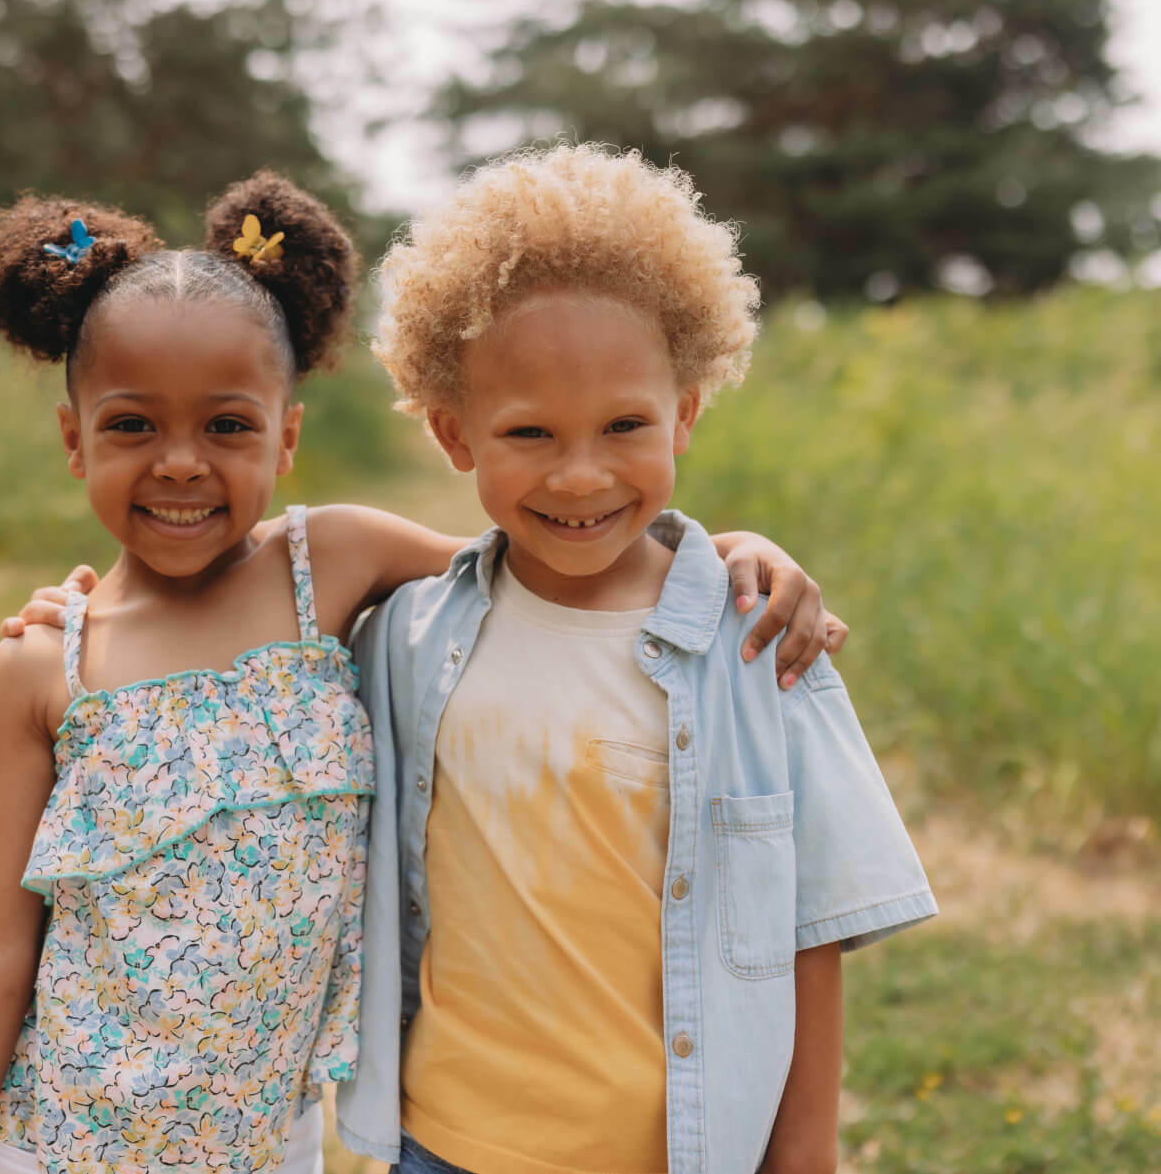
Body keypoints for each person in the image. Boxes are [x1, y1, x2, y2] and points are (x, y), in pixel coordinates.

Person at [0, 169, 841, 1174]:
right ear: (73, 441)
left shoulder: (333, 565)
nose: (180, 462)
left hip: (272, 1150)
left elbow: (555, 558)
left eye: (227, 425)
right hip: (63, 1144)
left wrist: (730, 552)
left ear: (289, 435)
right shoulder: (45, 666)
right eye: (133, 425)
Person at [334, 145, 939, 1174]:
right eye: (529, 431)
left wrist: (804, 1157)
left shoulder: (757, 640)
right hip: (444, 1144)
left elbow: (809, 928)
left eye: (625, 425)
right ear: (454, 433)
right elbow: (235, 601)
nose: (581, 474)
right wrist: (74, 612)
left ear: (686, 414)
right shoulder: (403, 637)